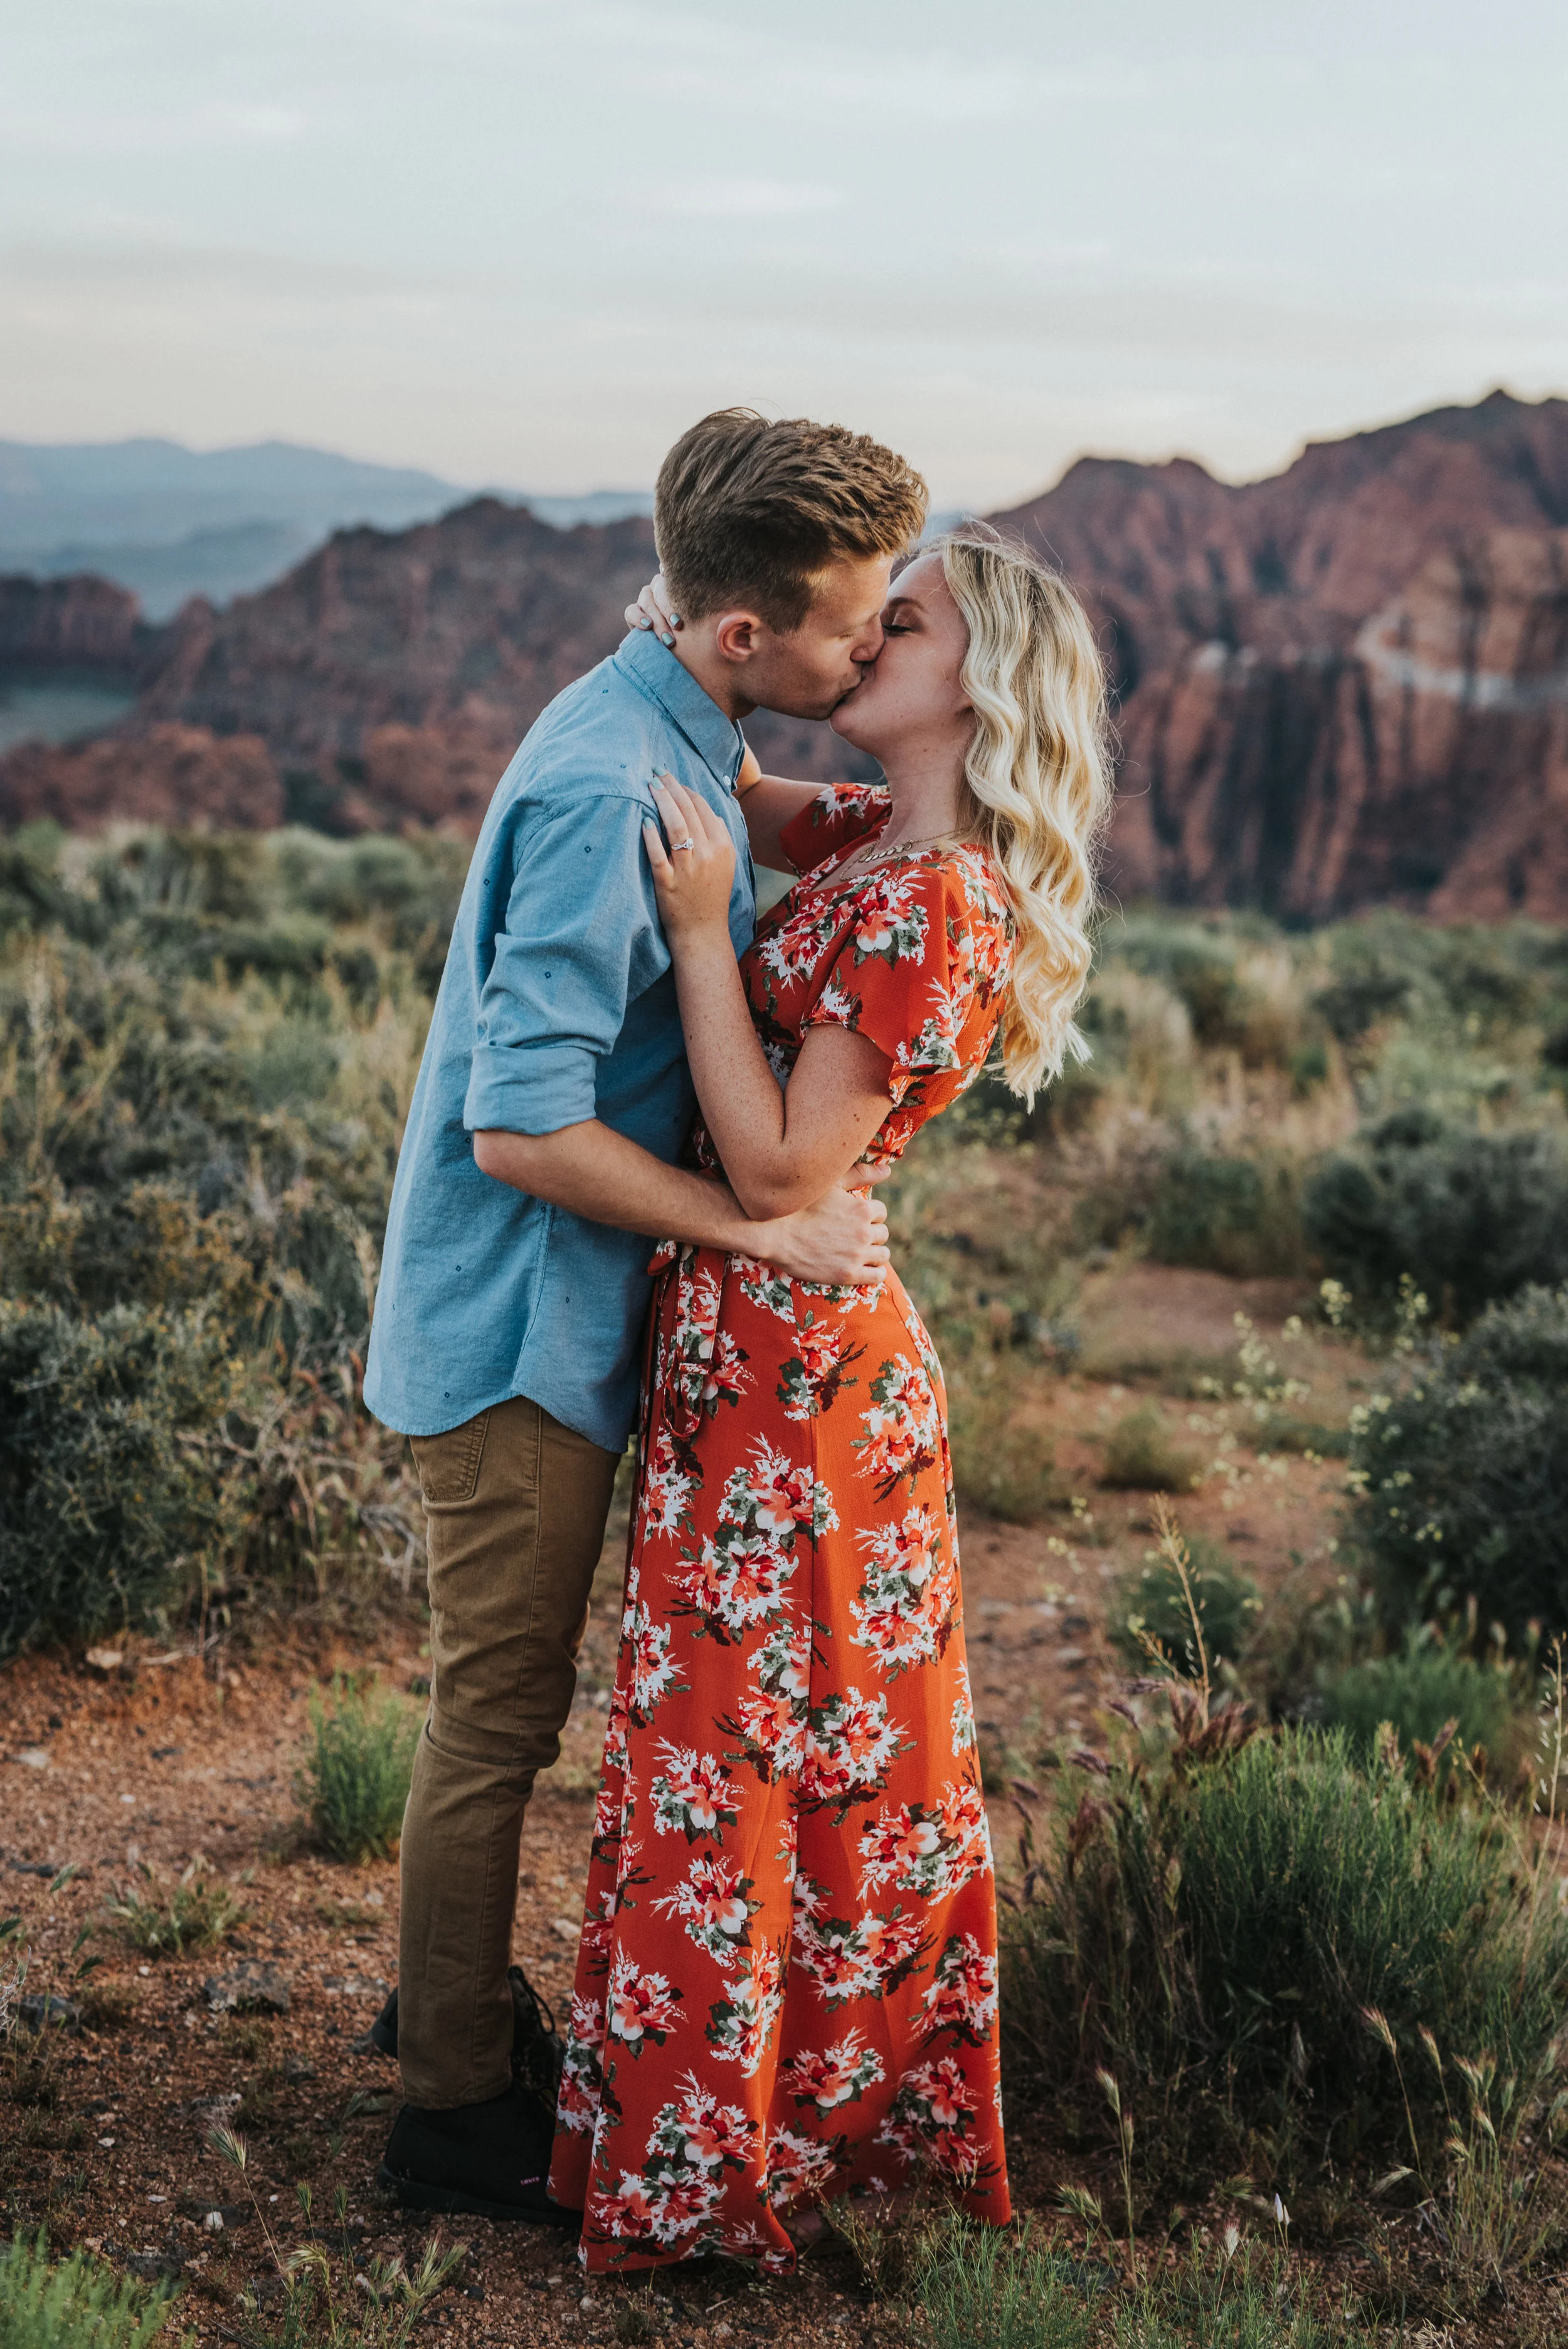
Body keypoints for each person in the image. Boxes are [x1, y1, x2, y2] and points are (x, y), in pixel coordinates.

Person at [363, 410, 930, 2220]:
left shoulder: (668, 706)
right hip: (521, 1338)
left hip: (549, 1323)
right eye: (854, 627)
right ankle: (449, 2109)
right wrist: (758, 1238)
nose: (871, 651)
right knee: (493, 1729)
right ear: (745, 638)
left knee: (498, 1717)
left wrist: (953, 824)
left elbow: (823, 821)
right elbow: (519, 1127)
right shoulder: (622, 787)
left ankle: (449, 2013)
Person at [549, 527, 1112, 2270]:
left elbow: (788, 1168)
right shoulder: (880, 840)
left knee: (754, 1769)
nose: (867, 633)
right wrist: (676, 617)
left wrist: (706, 934)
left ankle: (742, 2171)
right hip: (760, 1367)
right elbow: (719, 755)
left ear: (980, 678)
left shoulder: (939, 901)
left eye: (907, 617)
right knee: (750, 1760)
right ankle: (731, 2144)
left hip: (804, 1390)